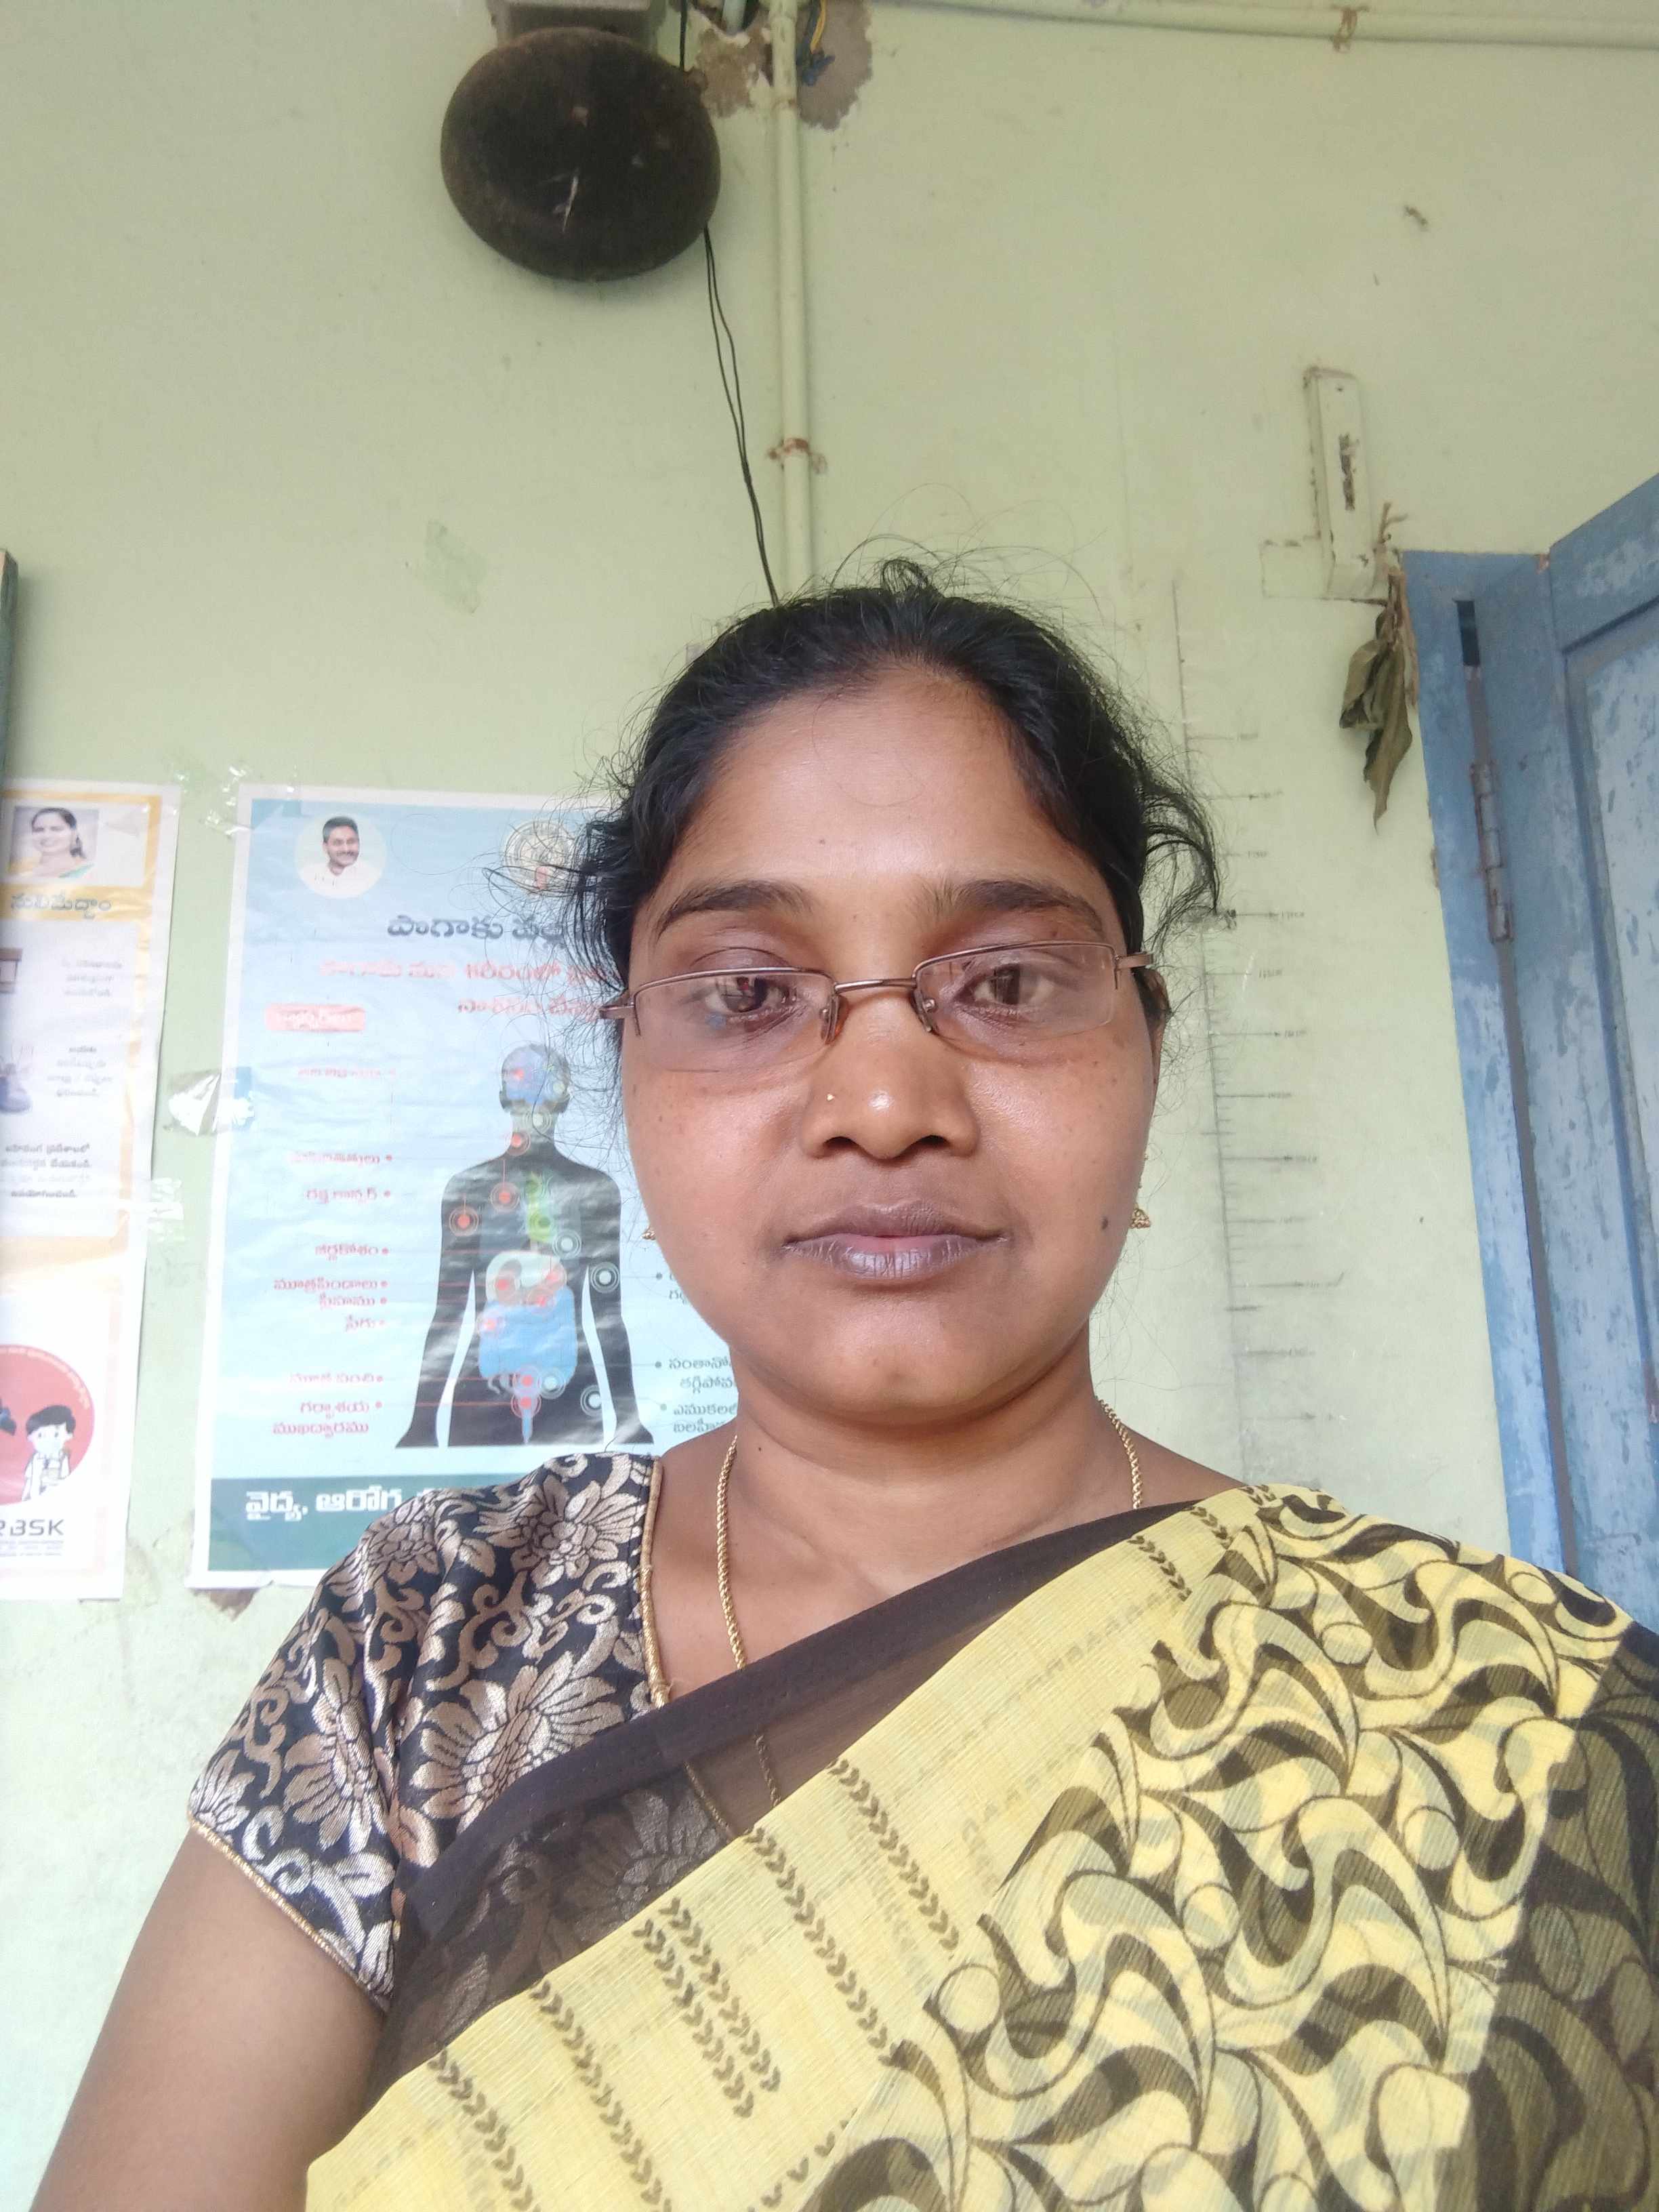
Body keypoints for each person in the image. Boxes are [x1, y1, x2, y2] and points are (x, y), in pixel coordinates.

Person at [36, 565, 1659, 2212]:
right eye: (747, 994)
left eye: (1005, 983)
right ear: (628, 1070)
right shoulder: (426, 1647)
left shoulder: (1490, 1716)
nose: (884, 1104)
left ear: (1146, 1045)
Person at [395, 1043, 651, 1452]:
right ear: (504, 1098)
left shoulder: (593, 1191)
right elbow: (449, 1311)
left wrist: (628, 1419)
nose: (534, 1106)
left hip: (566, 1387)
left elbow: (607, 1315)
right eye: (523, 1090)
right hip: (489, 1390)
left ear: (563, 1099)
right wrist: (421, 1424)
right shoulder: (470, 1190)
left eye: (543, 1091)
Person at [18, 804, 92, 881]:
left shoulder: (89, 873)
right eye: (39, 830)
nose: (47, 836)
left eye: (56, 829)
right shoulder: (23, 876)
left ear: (74, 834)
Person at [300, 815, 368, 897]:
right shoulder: (309, 875)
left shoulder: (370, 876)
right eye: (338, 843)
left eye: (351, 842)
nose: (346, 849)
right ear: (325, 847)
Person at [20, 1404, 75, 1498]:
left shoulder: (62, 1458)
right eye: (40, 1435)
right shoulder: (35, 1459)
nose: (48, 1441)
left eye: (56, 1435)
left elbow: (66, 1479)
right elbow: (30, 1480)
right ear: (30, 1438)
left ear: (68, 1436)